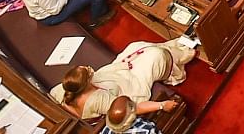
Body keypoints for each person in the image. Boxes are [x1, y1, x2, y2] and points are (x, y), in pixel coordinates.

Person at [52, 40, 194, 119]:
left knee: (135, 46)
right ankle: (183, 53)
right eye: (88, 71)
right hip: (130, 86)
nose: (90, 67)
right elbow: (129, 109)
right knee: (156, 56)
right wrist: (162, 105)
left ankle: (182, 43)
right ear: (86, 83)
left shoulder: (62, 88)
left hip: (116, 76)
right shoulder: (98, 100)